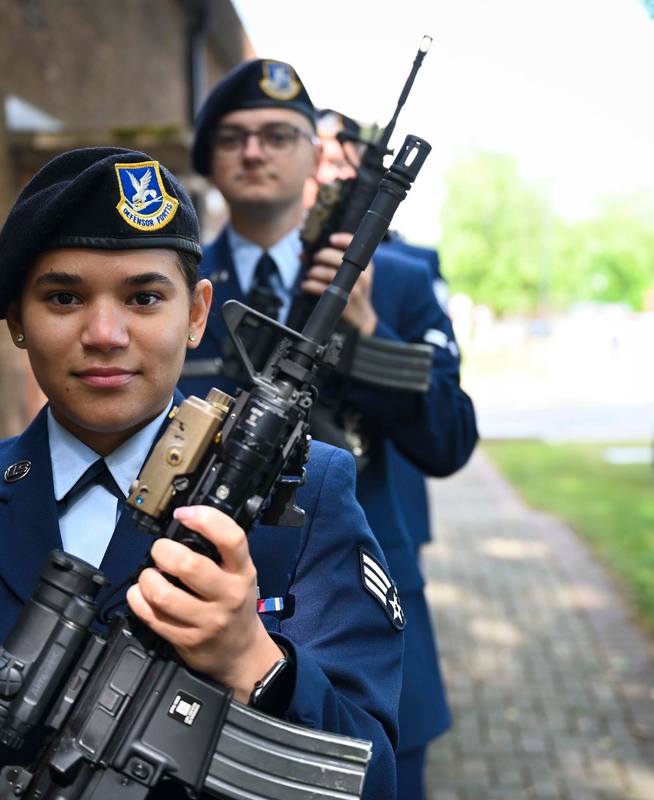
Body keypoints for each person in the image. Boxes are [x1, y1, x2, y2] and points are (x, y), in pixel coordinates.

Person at [0, 147, 404, 799]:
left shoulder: (301, 498)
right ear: (17, 319)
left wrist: (254, 662)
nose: (105, 332)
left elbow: (372, 778)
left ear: (196, 314)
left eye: (143, 296)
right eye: (64, 296)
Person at [180, 62, 478, 799]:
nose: (255, 151)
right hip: (197, 614)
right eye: (235, 137)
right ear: (210, 159)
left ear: (318, 155)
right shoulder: (166, 286)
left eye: (279, 135)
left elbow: (450, 440)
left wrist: (367, 331)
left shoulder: (400, 278)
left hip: (362, 622)